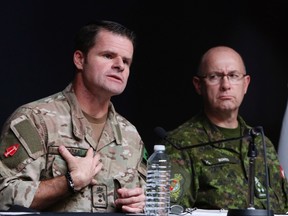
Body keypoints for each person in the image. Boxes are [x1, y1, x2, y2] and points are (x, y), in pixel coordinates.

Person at [0, 20, 146, 213]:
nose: (120, 66)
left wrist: (141, 202)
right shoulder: (35, 120)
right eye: (108, 56)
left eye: (126, 61)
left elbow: (145, 196)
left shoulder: (131, 136)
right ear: (79, 59)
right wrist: (69, 181)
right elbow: (3, 195)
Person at [163, 46, 288, 213]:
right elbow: (173, 211)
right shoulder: (180, 144)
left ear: (246, 84)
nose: (226, 85)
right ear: (198, 85)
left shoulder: (262, 143)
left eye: (234, 76)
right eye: (214, 77)